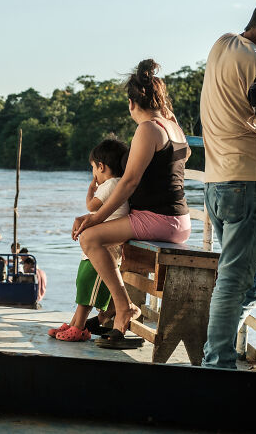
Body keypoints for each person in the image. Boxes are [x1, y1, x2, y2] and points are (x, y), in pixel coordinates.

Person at [72, 59, 191, 348]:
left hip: (158, 219)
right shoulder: (174, 128)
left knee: (89, 238)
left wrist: (96, 217)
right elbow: (181, 160)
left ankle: (123, 308)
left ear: (131, 103)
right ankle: (112, 310)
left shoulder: (148, 129)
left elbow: (129, 182)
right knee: (103, 239)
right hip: (179, 220)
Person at [199, 3, 256, 369]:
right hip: (245, 181)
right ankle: (218, 362)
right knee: (235, 280)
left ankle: (219, 351)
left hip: (215, 183)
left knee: (247, 283)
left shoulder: (221, 45)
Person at [51, 139, 129, 341]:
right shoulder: (119, 184)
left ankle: (79, 327)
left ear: (101, 167)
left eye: (93, 168)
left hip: (104, 248)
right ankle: (75, 324)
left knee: (88, 287)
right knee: (83, 283)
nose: (93, 173)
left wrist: (91, 189)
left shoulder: (111, 184)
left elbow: (91, 206)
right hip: (100, 245)